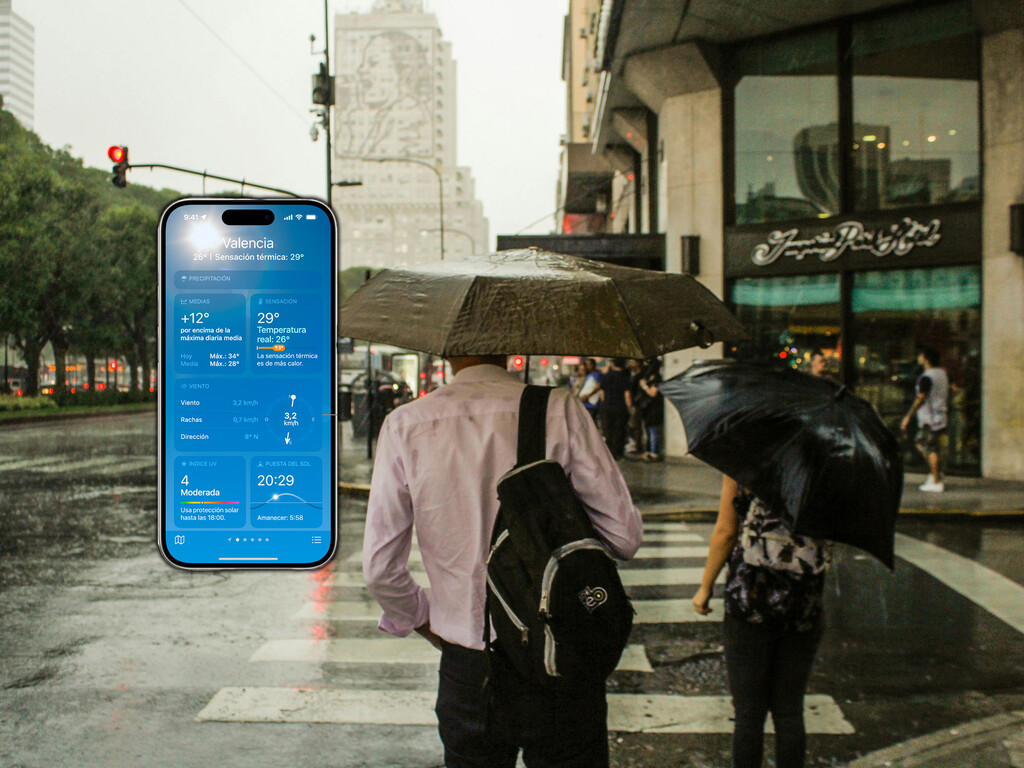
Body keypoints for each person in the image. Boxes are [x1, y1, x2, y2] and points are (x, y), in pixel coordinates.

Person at [363, 354, 642, 768]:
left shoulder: (406, 424)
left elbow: (382, 569)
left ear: (445, 350)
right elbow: (624, 536)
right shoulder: (558, 409)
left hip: (469, 664)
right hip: (557, 652)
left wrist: (425, 618)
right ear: (511, 341)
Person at [693, 476, 829, 768]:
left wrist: (706, 586)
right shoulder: (825, 465)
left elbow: (726, 532)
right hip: (803, 602)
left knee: (748, 714)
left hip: (751, 598)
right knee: (790, 711)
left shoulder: (745, 463)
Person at [900, 347, 949, 492]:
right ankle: (935, 475)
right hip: (941, 416)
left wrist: (908, 416)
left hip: (930, 419)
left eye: (921, 355)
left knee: (924, 445)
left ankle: (936, 480)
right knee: (931, 446)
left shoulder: (926, 377)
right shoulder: (942, 373)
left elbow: (921, 397)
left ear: (926, 358)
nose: (918, 358)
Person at [597, 358, 630, 459]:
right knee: (618, 430)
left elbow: (601, 392)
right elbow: (627, 394)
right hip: (620, 407)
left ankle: (608, 453)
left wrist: (604, 403)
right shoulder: (625, 377)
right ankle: (616, 453)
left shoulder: (606, 376)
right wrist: (629, 407)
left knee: (608, 431)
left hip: (607, 406)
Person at [639, 360, 663, 461]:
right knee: (649, 430)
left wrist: (644, 386)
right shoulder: (649, 377)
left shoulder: (656, 378)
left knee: (653, 430)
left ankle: (654, 452)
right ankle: (650, 451)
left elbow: (653, 393)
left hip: (654, 408)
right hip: (648, 408)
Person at [578, 357, 602, 426]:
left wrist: (588, 395)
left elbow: (598, 386)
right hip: (585, 404)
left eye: (589, 364)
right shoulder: (589, 375)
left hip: (592, 404)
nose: (587, 366)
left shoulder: (597, 374)